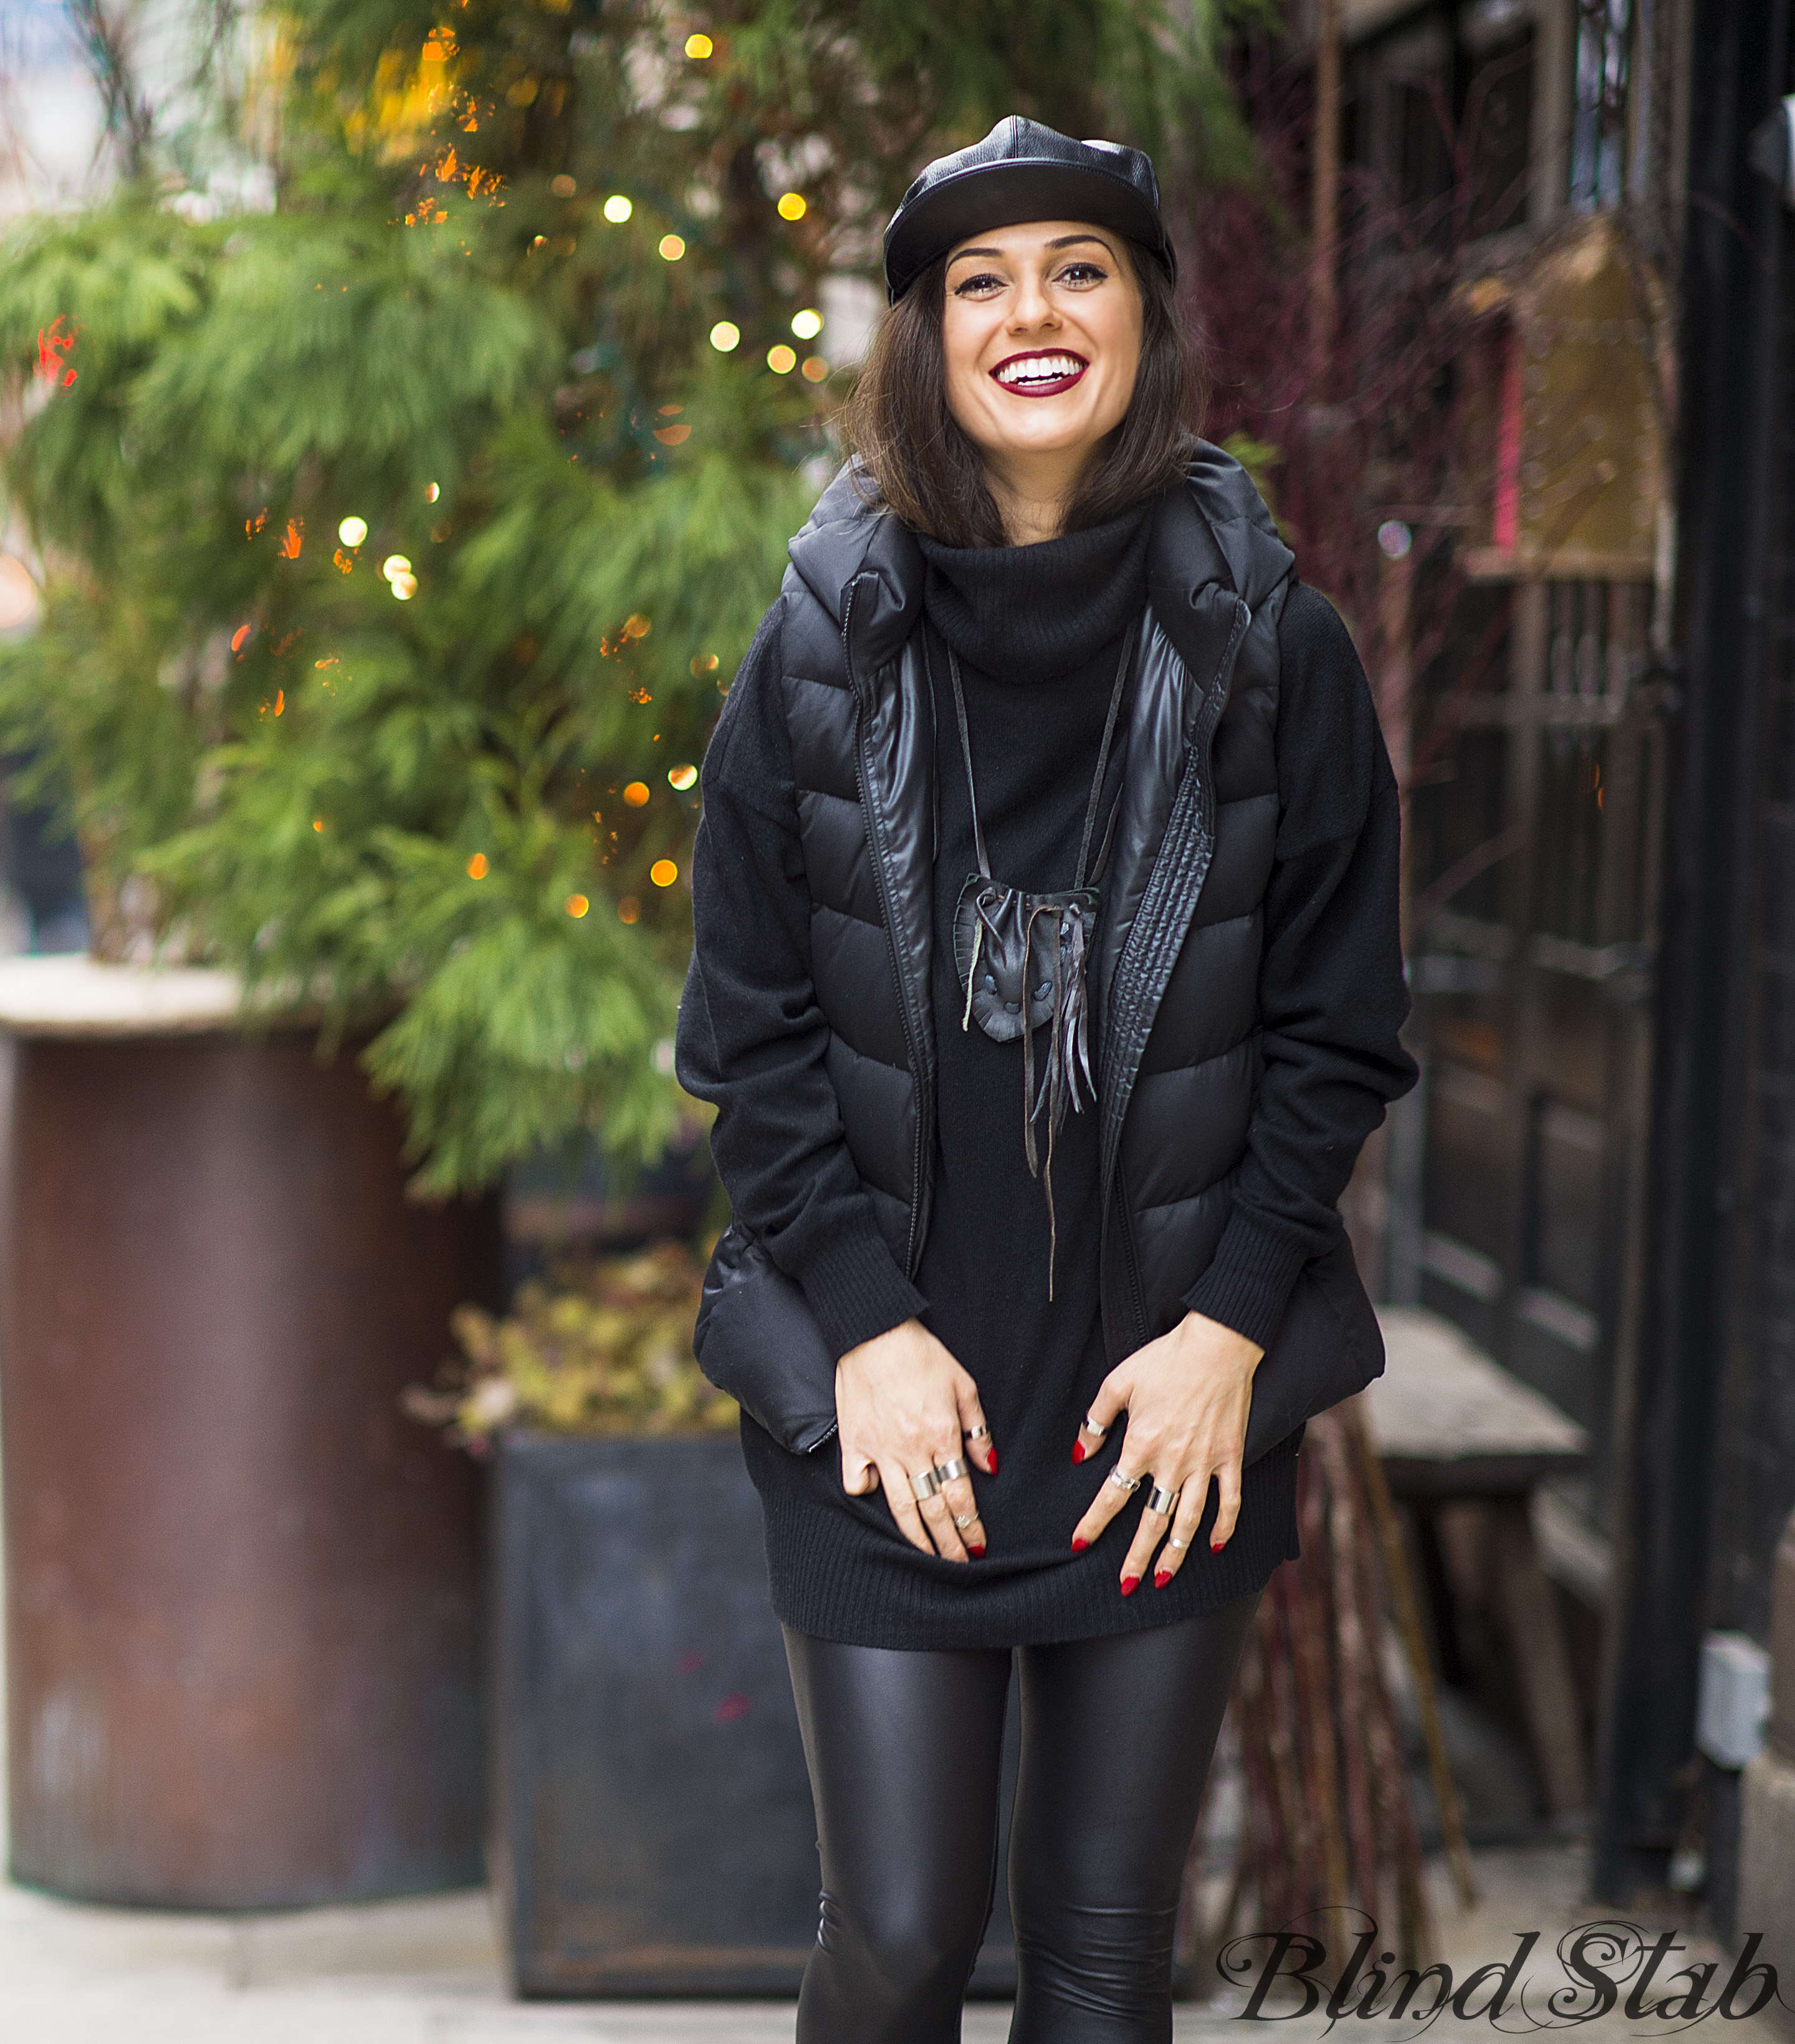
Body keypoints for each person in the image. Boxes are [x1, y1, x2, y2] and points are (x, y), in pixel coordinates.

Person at [674, 117, 1419, 2043]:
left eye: (1078, 269)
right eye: (980, 281)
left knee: (1101, 1959)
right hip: (891, 1398)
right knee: (906, 1933)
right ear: (924, 340)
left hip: (1153, 1407)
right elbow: (749, 1032)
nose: (1032, 313)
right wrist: (859, 1328)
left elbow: (1339, 1033)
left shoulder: (1277, 651)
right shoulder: (815, 653)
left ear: (1143, 319)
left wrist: (1231, 1333)